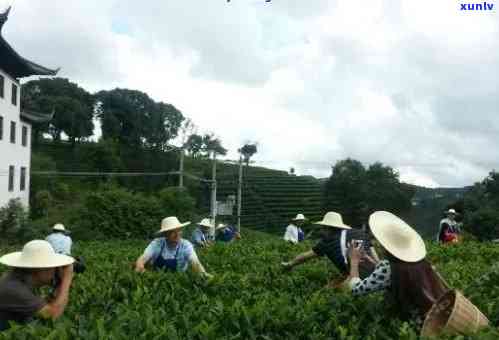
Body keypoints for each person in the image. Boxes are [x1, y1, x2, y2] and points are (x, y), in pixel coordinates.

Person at [347, 211, 449, 322]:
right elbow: (389, 272)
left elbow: (356, 290)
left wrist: (354, 261)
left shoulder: (388, 268)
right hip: (430, 314)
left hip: (410, 321)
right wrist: (368, 258)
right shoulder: (421, 261)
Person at [281, 212, 377, 287]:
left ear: (327, 228)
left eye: (323, 228)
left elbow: (305, 257)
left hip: (358, 279)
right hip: (376, 275)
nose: (322, 230)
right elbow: (374, 256)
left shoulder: (328, 241)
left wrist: (290, 264)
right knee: (330, 286)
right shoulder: (360, 233)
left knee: (328, 294)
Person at [0, 240, 74, 331]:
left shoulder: (17, 279)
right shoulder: (13, 288)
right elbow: (51, 315)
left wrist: (59, 284)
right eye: (52, 267)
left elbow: (43, 306)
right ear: (40, 270)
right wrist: (67, 279)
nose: (55, 270)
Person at [135, 216, 212, 278]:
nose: (177, 234)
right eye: (172, 232)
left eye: (179, 230)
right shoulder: (157, 243)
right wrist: (140, 266)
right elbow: (143, 258)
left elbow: (195, 262)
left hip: (178, 280)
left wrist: (204, 274)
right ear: (165, 234)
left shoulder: (186, 245)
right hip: (157, 278)